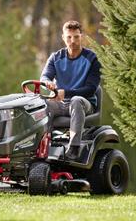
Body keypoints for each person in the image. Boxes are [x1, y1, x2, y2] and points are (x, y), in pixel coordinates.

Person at [40, 20, 101, 160]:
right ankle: (44, 146)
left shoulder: (92, 59)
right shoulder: (56, 58)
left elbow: (91, 89)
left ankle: (74, 148)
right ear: (63, 37)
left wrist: (66, 93)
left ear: (82, 36)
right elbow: (44, 77)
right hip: (60, 103)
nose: (72, 41)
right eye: (69, 37)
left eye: (76, 37)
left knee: (76, 100)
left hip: (84, 103)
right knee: (42, 105)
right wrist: (48, 83)